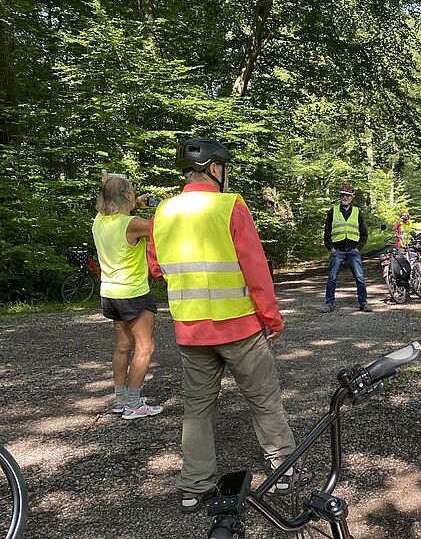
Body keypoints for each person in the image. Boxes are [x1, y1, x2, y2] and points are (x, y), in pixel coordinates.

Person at [147, 138, 298, 513]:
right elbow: (256, 268)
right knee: (263, 400)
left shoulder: (162, 212)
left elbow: (155, 268)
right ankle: (285, 471)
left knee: (197, 409)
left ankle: (194, 486)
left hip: (190, 331)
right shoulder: (230, 206)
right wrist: (271, 316)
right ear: (216, 168)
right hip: (240, 329)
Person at [91, 173, 163, 420]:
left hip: (110, 293)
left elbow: (112, 203)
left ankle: (120, 400)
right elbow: (161, 226)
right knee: (146, 347)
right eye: (132, 191)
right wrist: (164, 205)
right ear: (126, 196)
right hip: (133, 293)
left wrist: (134, 204)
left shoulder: (99, 220)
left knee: (123, 346)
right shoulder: (132, 224)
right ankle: (134, 405)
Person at [322, 184, 371, 313]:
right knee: (332, 278)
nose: (345, 197)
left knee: (360, 277)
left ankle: (363, 302)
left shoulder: (357, 212)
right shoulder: (333, 211)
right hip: (337, 250)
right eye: (343, 195)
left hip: (353, 250)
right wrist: (330, 248)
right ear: (340, 197)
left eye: (348, 195)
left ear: (352, 197)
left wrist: (358, 248)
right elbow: (327, 232)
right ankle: (329, 303)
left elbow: (364, 233)